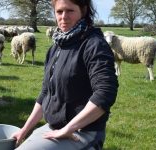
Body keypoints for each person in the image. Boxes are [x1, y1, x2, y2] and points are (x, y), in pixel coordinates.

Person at [12, 0, 118, 149]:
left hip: (83, 132)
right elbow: (45, 93)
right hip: (55, 127)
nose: (63, 17)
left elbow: (105, 92)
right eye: (59, 11)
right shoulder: (56, 47)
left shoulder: (94, 45)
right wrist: (24, 130)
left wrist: (69, 128)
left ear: (84, 10)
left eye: (70, 11)